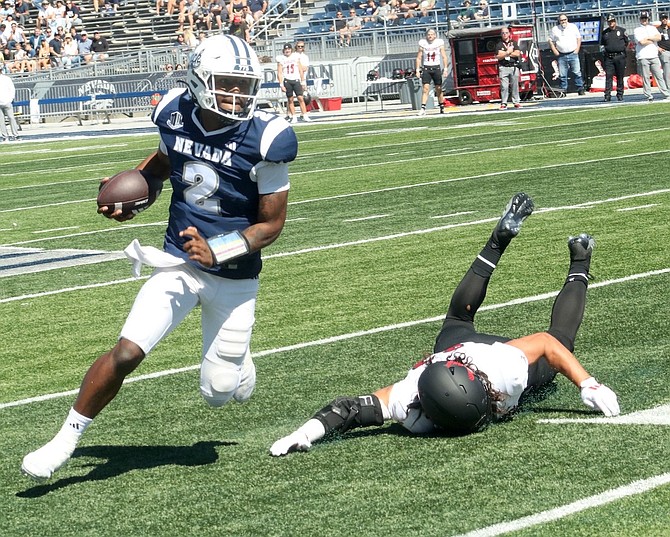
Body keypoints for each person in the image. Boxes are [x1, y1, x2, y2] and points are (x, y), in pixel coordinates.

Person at [21, 34, 299, 482]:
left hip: (234, 275)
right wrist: (135, 196)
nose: (238, 94)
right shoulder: (174, 112)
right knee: (128, 351)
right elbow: (160, 168)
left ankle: (239, 359)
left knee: (218, 392)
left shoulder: (267, 138)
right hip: (177, 262)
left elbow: (271, 224)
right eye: (227, 83)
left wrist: (220, 249)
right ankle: (65, 440)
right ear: (199, 79)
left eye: (244, 85)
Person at [270, 193, 620, 457]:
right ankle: (544, 252)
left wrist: (588, 385)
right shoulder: (418, 396)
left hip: (472, 355)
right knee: (458, 317)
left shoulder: (500, 373)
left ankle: (577, 259)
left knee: (561, 340)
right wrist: (303, 434)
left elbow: (547, 343)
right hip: (456, 352)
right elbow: (346, 410)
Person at [633, 11, 670, 102]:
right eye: (642, 18)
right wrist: (652, 39)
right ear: (640, 19)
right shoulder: (637, 30)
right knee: (645, 77)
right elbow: (641, 42)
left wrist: (648, 38)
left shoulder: (652, 28)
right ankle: (648, 95)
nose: (644, 20)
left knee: (659, 76)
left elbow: (659, 38)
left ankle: (666, 93)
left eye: (645, 18)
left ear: (648, 19)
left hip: (654, 55)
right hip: (643, 56)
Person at [548, 15, 585, 95]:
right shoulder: (555, 29)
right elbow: (550, 40)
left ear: (567, 19)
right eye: (561, 20)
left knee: (577, 72)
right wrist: (554, 50)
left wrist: (577, 49)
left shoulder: (573, 27)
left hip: (573, 53)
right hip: (561, 55)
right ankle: (563, 90)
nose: (563, 21)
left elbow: (579, 38)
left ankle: (580, 89)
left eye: (564, 19)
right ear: (559, 21)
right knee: (562, 74)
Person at [415, 28, 447, 116]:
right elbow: (418, 57)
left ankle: (441, 106)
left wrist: (445, 69)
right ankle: (423, 108)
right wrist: (417, 70)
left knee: (439, 89)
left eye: (432, 34)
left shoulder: (439, 43)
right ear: (426, 36)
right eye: (428, 34)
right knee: (425, 89)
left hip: (436, 67)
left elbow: (444, 56)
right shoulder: (423, 43)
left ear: (435, 35)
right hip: (426, 68)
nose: (430, 36)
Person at [276, 42, 310, 124]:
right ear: (283, 50)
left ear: (291, 50)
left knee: (301, 98)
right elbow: (279, 73)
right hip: (287, 80)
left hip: (296, 79)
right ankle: (294, 116)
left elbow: (300, 70)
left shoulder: (295, 57)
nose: (287, 50)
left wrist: (303, 81)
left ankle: (305, 115)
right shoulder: (281, 59)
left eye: (288, 49)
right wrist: (281, 84)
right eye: (286, 49)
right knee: (290, 99)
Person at [600, 14, 629, 102]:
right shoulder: (605, 33)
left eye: (612, 21)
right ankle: (607, 94)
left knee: (620, 76)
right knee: (609, 76)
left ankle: (620, 94)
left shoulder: (622, 31)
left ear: (615, 21)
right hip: (609, 57)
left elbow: (626, 42)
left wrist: (622, 51)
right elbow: (603, 44)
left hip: (620, 56)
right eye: (609, 22)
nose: (611, 23)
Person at [495, 26, 521, 110]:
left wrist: (506, 54)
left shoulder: (514, 42)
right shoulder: (499, 44)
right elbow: (498, 56)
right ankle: (504, 102)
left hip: (513, 66)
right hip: (503, 67)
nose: (504, 34)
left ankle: (516, 102)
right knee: (504, 86)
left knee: (514, 85)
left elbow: (517, 53)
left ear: (509, 34)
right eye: (503, 33)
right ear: (501, 34)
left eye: (506, 33)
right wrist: (508, 52)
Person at [0, 72, 21, 141]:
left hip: (7, 101)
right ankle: (6, 136)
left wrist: (10, 99)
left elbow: (12, 89)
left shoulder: (6, 79)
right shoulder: (7, 78)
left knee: (11, 118)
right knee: (3, 120)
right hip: (5, 101)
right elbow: (12, 89)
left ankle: (14, 135)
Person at [658, 13, 670, 91]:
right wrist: (658, 48)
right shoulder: (658, 30)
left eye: (665, 18)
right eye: (663, 18)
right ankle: (668, 88)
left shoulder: (669, 29)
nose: (664, 19)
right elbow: (654, 41)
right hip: (664, 52)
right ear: (660, 20)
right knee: (667, 71)